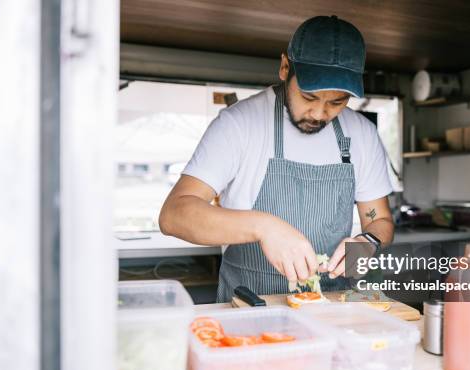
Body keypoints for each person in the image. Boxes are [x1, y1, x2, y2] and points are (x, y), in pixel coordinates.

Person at [159, 15, 395, 302]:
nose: (320, 113)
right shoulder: (239, 124)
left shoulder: (362, 134)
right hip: (251, 305)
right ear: (285, 68)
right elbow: (174, 215)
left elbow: (380, 219)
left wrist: (367, 242)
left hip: (331, 305)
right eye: (309, 97)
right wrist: (264, 227)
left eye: (337, 102)